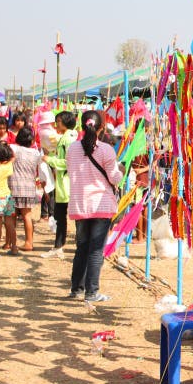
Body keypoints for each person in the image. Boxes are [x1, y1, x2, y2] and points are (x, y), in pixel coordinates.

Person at [66, 110, 123, 302]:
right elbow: (114, 177)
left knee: (81, 247)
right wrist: (121, 171)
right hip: (101, 204)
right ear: (101, 128)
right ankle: (92, 292)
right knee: (96, 249)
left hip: (80, 205)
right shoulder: (106, 149)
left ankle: (76, 289)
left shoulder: (72, 148)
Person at [42, 111, 78, 259]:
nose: (57, 124)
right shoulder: (66, 137)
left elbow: (68, 162)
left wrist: (49, 160)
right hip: (65, 183)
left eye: (59, 121)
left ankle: (61, 246)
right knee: (61, 216)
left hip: (67, 183)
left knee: (64, 216)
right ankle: (59, 245)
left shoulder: (68, 140)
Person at [10, 128, 41, 251]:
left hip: (14, 186)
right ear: (32, 140)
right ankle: (29, 242)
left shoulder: (14, 148)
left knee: (11, 216)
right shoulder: (36, 153)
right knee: (27, 215)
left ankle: (11, 243)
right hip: (29, 188)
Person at [0, 142, 16, 255]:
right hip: (7, 197)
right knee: (10, 223)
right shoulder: (8, 166)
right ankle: (14, 247)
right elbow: (13, 157)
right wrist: (7, 147)